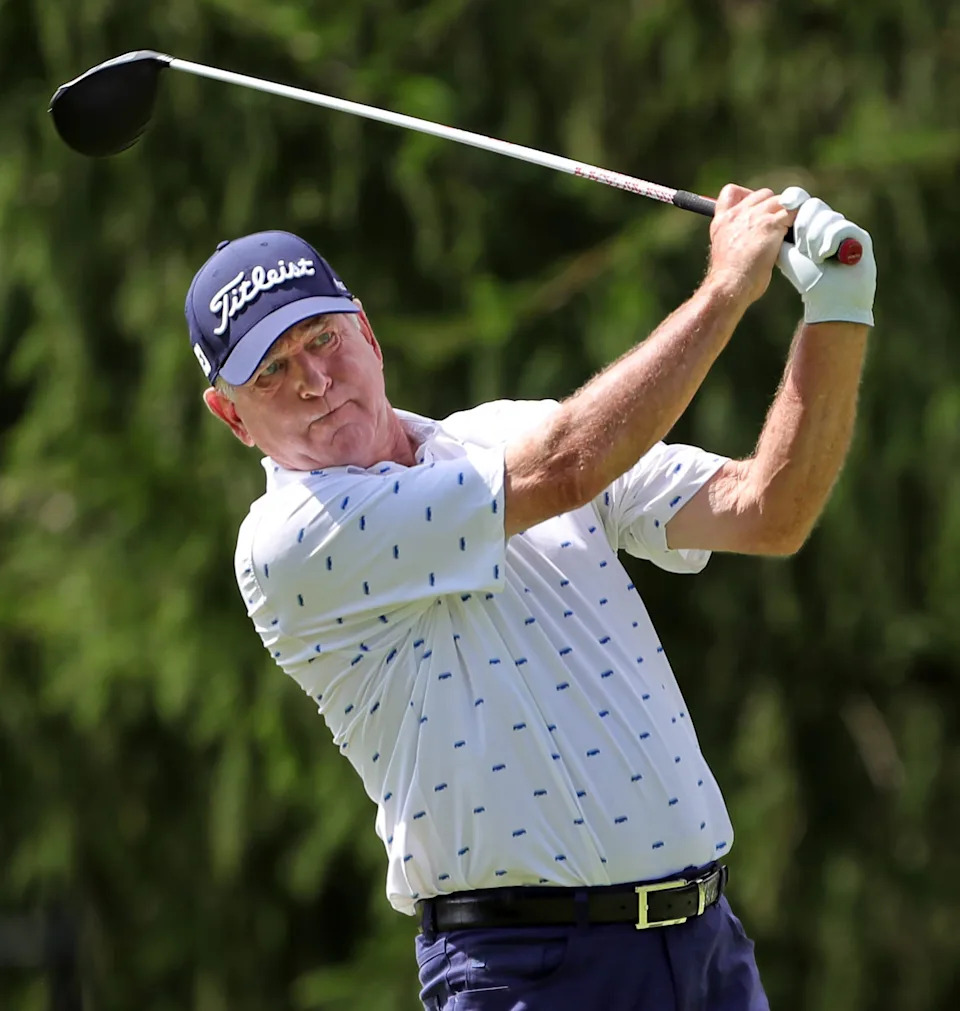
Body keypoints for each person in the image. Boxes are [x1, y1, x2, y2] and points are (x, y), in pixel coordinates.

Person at [185, 184, 875, 1011]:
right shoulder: (290, 540)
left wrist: (838, 306)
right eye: (273, 371)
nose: (315, 380)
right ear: (232, 416)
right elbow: (567, 466)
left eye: (323, 338)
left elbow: (770, 509)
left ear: (365, 331)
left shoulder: (505, 432)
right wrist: (726, 287)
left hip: (708, 951)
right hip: (529, 972)